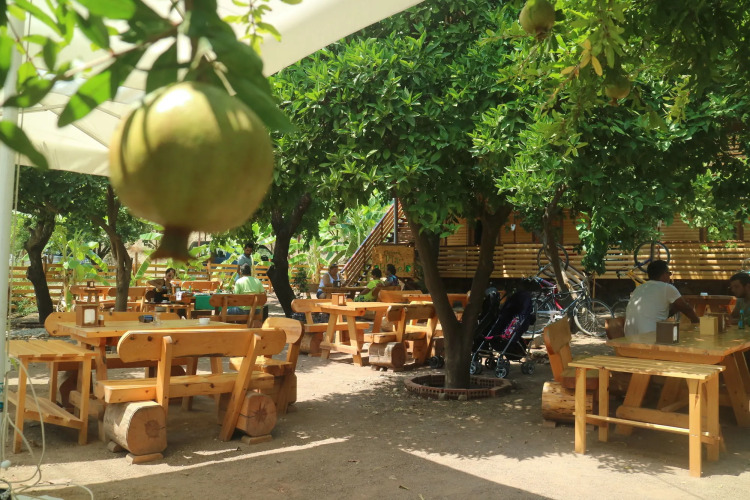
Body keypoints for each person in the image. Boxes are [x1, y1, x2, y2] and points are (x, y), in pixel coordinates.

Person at [624, 260, 699, 336]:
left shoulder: (639, 288)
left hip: (629, 337)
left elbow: (657, 315)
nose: (669, 277)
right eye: (669, 274)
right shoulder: (666, 287)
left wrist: (675, 308)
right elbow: (686, 308)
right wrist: (698, 323)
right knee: (681, 335)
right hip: (650, 337)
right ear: (664, 274)